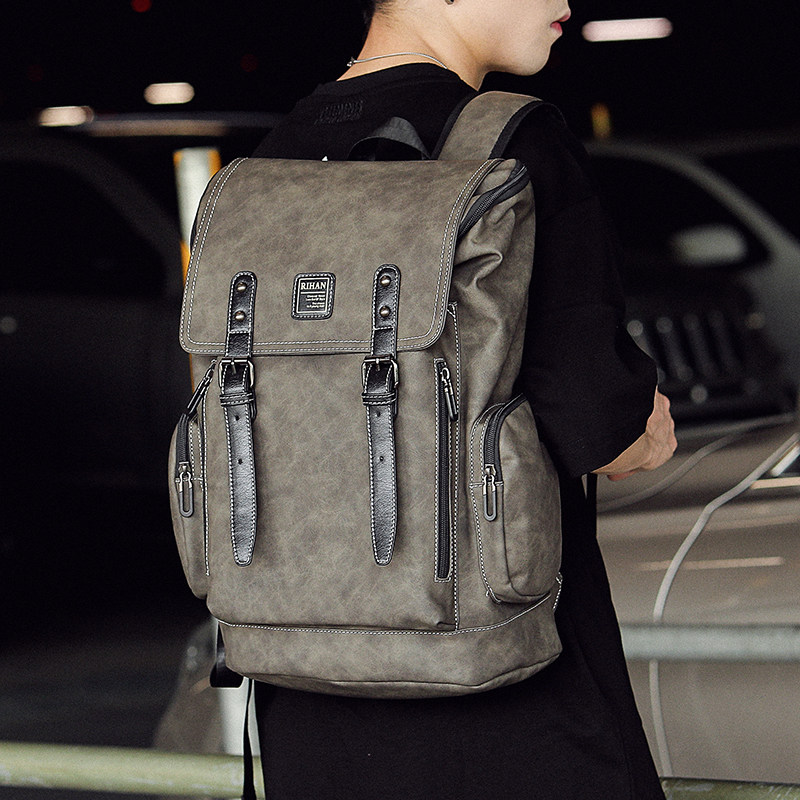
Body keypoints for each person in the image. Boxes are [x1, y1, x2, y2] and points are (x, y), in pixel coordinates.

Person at [251, 1, 677, 798]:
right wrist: (644, 430)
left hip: (308, 704)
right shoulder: (514, 143)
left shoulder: (269, 158)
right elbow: (600, 423)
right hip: (507, 693)